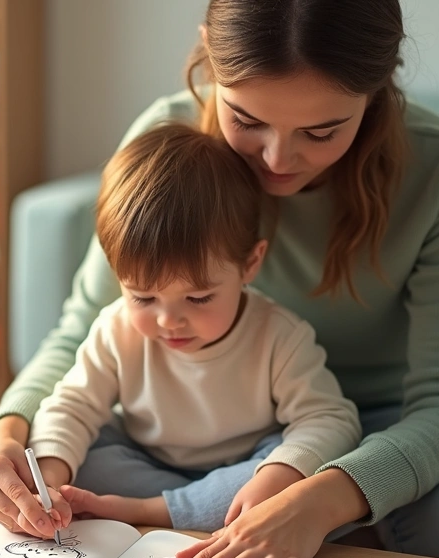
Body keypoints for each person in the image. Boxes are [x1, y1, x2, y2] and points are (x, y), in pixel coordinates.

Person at [0, 0, 439, 558]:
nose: (277, 159)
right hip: (179, 425)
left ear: (377, 89)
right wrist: (10, 430)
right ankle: (198, 517)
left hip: (364, 427)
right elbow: (83, 334)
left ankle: (238, 517)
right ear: (209, 55)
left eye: (321, 131)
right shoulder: (168, 140)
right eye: (246, 119)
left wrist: (316, 496)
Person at [23, 121, 361, 535]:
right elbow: (72, 407)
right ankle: (187, 509)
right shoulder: (116, 329)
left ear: (249, 265)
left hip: (242, 468)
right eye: (143, 298)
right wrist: (50, 479)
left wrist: (280, 474)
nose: (168, 321)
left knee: (294, 472)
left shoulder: (279, 337)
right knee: (75, 452)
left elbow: (330, 419)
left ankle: (151, 513)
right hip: (144, 462)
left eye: (198, 298)